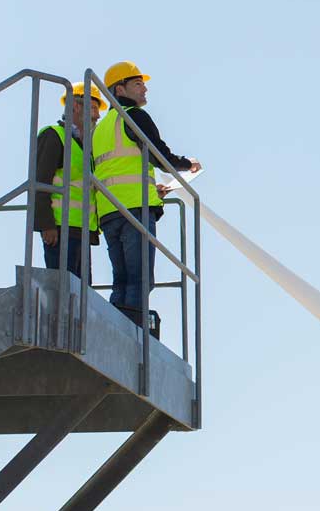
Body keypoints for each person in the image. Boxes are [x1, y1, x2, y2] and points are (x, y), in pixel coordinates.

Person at [92, 61, 201, 333]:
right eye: (138, 84)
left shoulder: (102, 127)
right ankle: (131, 336)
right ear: (121, 89)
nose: (145, 89)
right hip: (134, 210)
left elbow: (116, 168)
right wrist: (188, 164)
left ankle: (112, 330)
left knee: (121, 280)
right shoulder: (132, 116)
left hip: (108, 211)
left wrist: (156, 189)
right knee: (139, 280)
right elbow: (159, 156)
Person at [33, 82, 105, 279]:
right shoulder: (54, 136)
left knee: (82, 297)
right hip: (59, 229)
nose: (97, 116)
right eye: (93, 108)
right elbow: (39, 182)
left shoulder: (86, 148)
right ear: (75, 106)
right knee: (64, 291)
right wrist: (46, 224)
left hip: (82, 230)